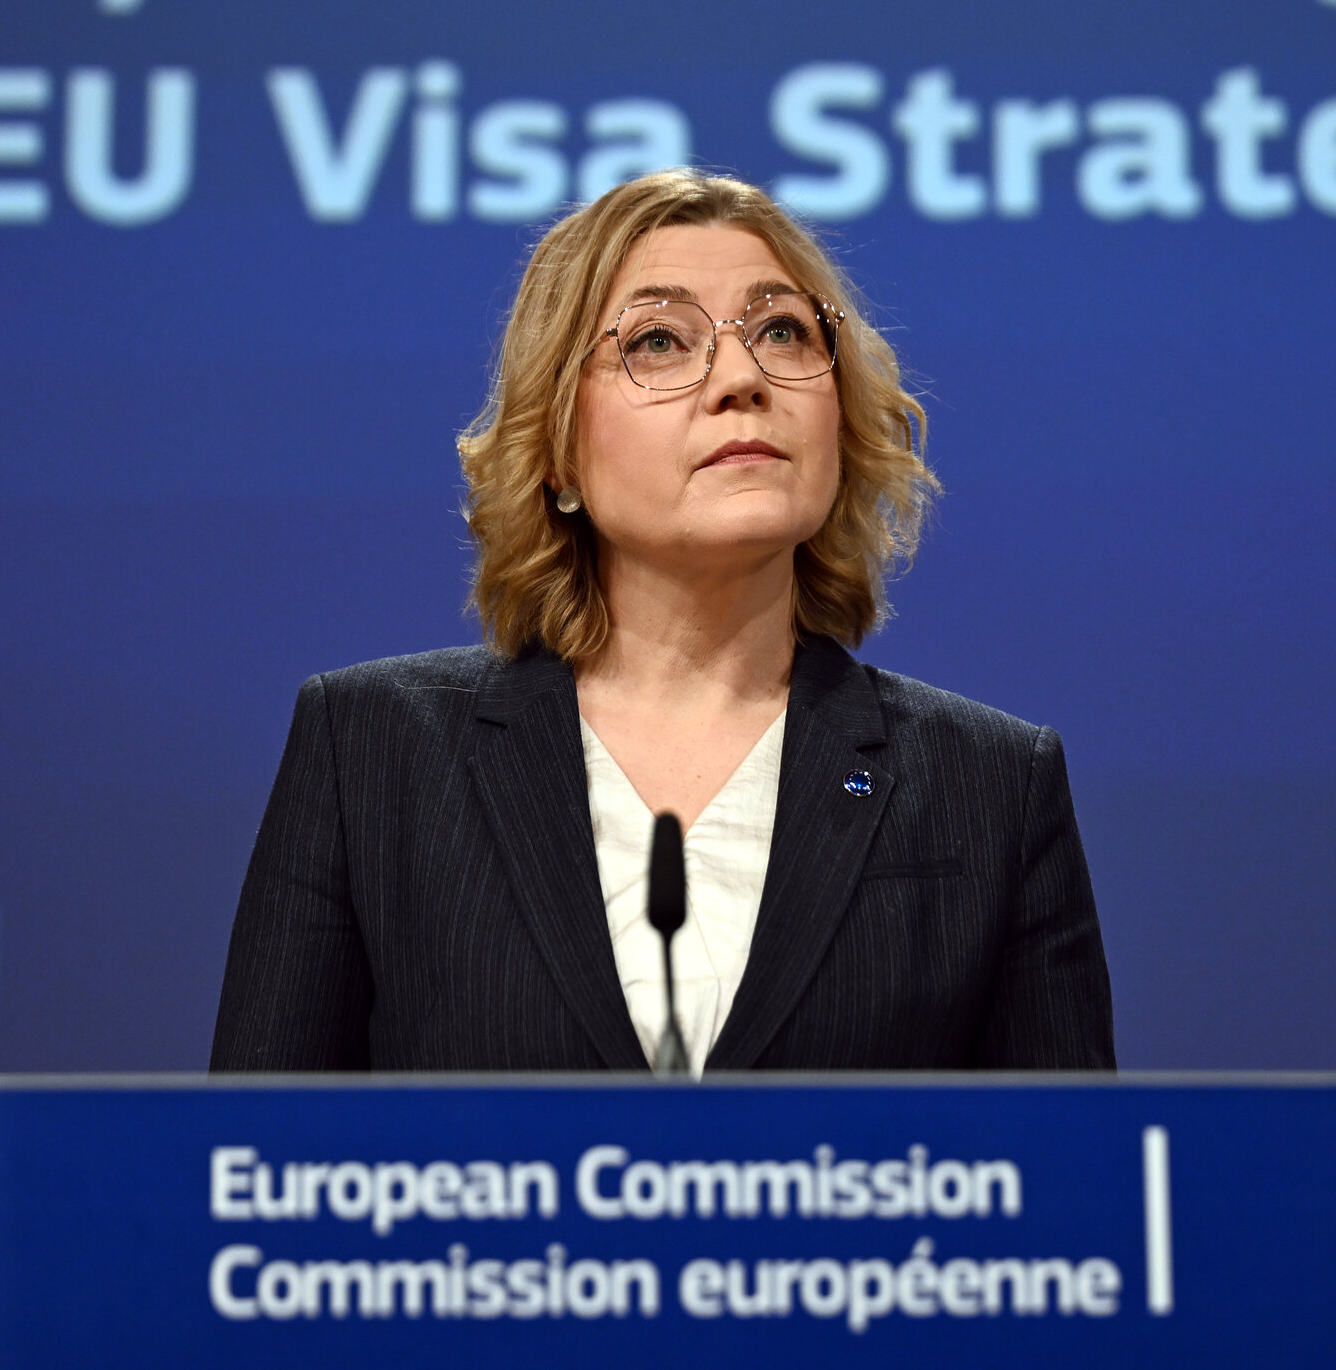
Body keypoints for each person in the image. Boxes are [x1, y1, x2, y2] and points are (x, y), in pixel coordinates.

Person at [210, 169, 1114, 1073]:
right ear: (558, 451)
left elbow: (1072, 1160)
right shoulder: (370, 755)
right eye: (658, 340)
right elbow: (251, 1150)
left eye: (781, 331)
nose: (740, 378)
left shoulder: (990, 787)